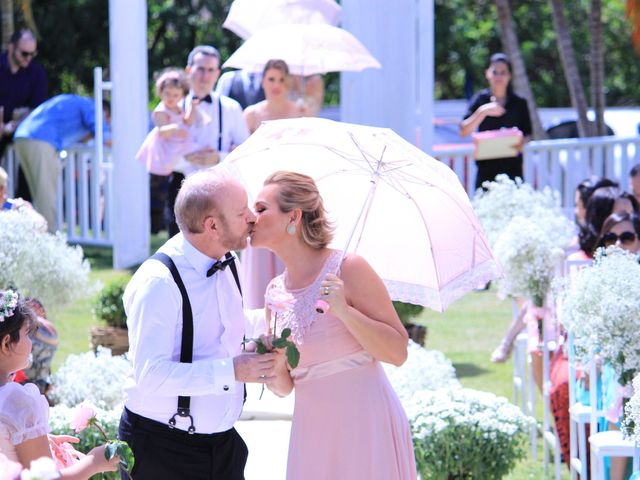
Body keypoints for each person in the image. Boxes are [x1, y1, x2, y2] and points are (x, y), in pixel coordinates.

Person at [250, 171, 416, 480]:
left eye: (261, 209)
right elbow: (285, 388)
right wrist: (271, 362)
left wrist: (344, 311)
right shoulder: (275, 291)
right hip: (313, 435)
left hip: (366, 427)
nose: (251, 217)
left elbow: (398, 352)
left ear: (293, 216)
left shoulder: (349, 268)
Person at [118, 167, 277, 480]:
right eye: (241, 211)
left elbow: (219, 326)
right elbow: (151, 375)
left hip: (224, 447)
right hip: (162, 451)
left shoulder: (227, 260)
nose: (251, 218)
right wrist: (233, 371)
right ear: (212, 225)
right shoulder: (159, 282)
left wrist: (273, 318)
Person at [0, 289, 119, 478]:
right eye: (27, 334)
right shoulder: (17, 403)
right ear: (7, 343)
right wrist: (93, 462)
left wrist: (32, 441)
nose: (31, 343)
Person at [164, 45, 250, 237]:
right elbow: (159, 152)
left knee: (220, 248)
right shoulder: (171, 107)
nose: (205, 76)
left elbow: (245, 154)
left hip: (220, 188)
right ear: (189, 70)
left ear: (218, 73)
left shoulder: (231, 108)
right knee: (180, 245)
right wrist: (187, 159)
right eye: (200, 68)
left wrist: (218, 157)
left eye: (211, 70)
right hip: (180, 185)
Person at [241, 60, 306, 309]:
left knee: (290, 244)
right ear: (262, 81)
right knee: (259, 248)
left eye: (281, 79)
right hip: (259, 189)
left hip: (290, 191)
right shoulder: (252, 114)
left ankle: (293, 308)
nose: (276, 85)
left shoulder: (300, 111)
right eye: (271, 79)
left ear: (288, 81)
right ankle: (258, 313)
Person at [13, 94, 110, 233]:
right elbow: (103, 135)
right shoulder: (92, 107)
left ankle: (33, 237)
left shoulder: (74, 101)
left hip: (22, 137)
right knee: (45, 197)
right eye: (107, 120)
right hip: (41, 141)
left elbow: (79, 135)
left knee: (36, 196)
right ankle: (50, 241)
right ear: (105, 113)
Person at [459, 53, 532, 190]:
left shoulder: (519, 103)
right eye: (495, 72)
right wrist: (482, 111)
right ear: (487, 73)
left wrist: (522, 141)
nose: (498, 76)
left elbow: (528, 133)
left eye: (503, 72)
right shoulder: (480, 100)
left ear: (509, 75)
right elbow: (463, 131)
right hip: (486, 172)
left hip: (513, 171)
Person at [0, 28, 48, 201]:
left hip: (23, 131)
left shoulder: (37, 73)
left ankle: (22, 210)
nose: (28, 58)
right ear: (11, 47)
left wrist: (16, 123)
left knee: (31, 150)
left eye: (32, 54)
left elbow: (38, 110)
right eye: (24, 53)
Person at [136, 69, 204, 176]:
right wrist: (176, 128)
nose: (171, 98)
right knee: (165, 173)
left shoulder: (178, 108)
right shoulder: (161, 110)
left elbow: (187, 122)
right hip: (166, 147)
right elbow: (162, 131)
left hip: (179, 144)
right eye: (167, 94)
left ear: (182, 96)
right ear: (161, 92)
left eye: (175, 95)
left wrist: (193, 108)